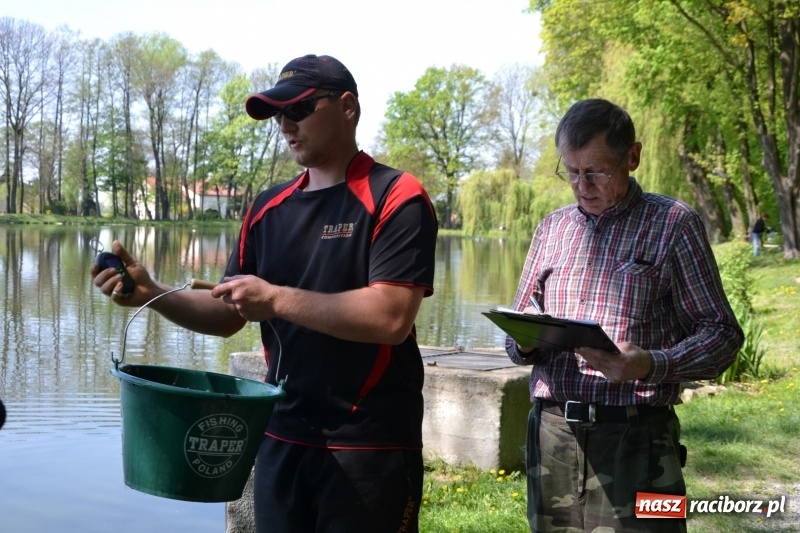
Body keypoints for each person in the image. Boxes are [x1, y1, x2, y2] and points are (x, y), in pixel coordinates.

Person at [92, 54, 438, 533]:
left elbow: (391, 317)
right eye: (278, 115)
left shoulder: (398, 195)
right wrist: (153, 292)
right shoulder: (266, 208)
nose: (285, 125)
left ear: (347, 107)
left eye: (299, 110)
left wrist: (274, 299)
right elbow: (230, 314)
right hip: (280, 433)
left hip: (370, 445)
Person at [505, 98, 744, 533]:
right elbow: (518, 326)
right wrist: (522, 339)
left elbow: (723, 335)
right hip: (553, 437)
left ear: (632, 156)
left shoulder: (674, 223)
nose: (582, 185)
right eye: (572, 172)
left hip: (638, 441)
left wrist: (651, 364)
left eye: (596, 171)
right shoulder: (551, 229)